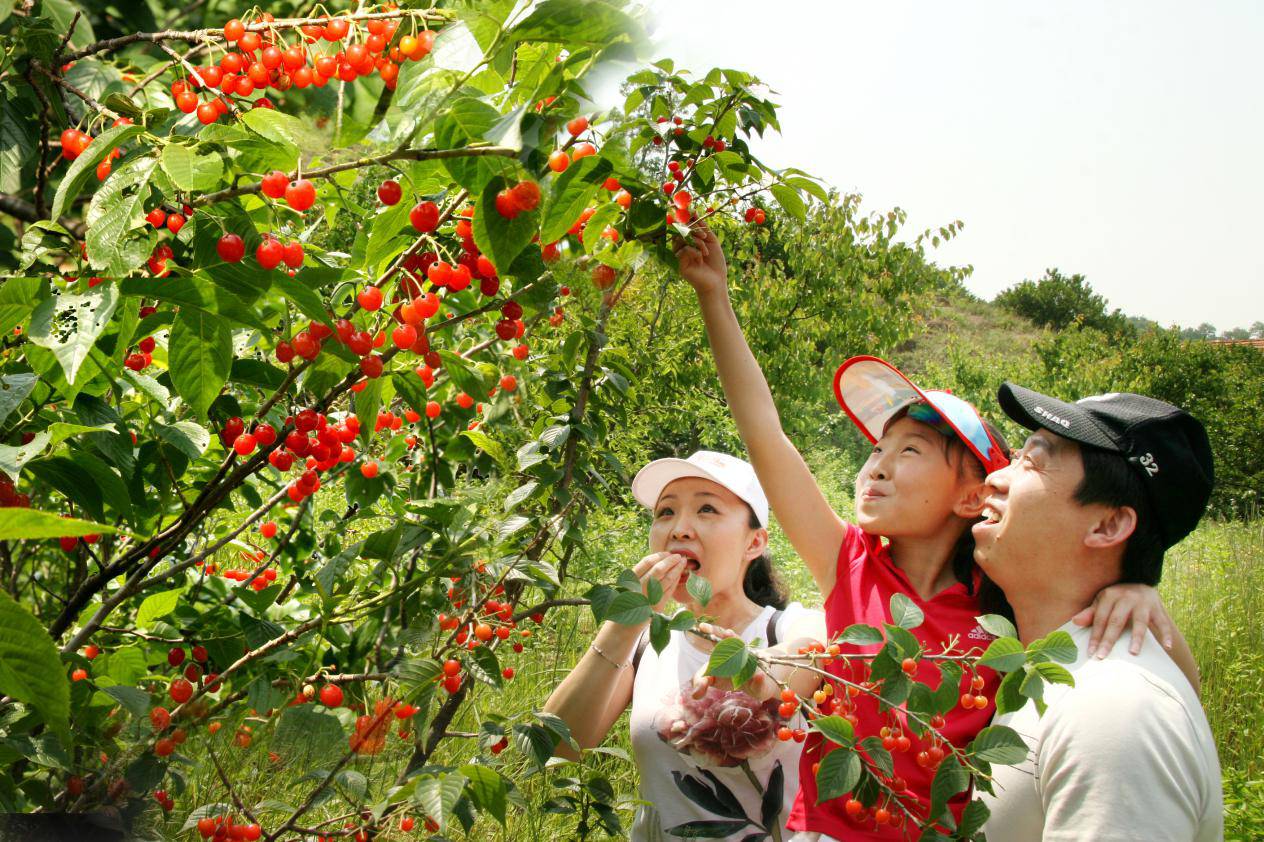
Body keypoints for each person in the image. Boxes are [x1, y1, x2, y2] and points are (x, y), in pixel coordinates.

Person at [673, 221, 1199, 839]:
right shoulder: (850, 564)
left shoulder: (1004, 603)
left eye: (912, 451)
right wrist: (715, 297)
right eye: (878, 449)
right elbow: (765, 432)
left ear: (973, 494)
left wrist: (1138, 588)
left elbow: (1168, 693)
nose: (877, 466)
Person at [974, 385, 1222, 840]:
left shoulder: (1115, 713)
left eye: (1032, 461)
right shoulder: (1060, 673)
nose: (995, 478)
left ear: (1108, 525)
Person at [543, 450, 827, 841]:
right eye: (665, 513)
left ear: (755, 542)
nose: (679, 529)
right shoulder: (643, 644)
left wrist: (750, 669)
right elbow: (557, 745)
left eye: (707, 509)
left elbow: (810, 652)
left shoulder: (789, 624)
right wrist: (624, 623)